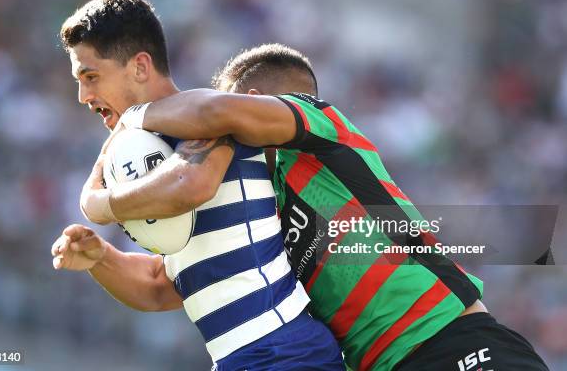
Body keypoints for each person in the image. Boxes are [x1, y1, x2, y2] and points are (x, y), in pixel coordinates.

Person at [86, 42, 549, 370]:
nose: (217, 143)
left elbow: (213, 114)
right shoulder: (259, 201)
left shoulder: (322, 125)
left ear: (254, 104)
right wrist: (99, 257)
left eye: (229, 127)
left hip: (449, 338)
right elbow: (164, 286)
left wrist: (125, 127)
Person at [52, 0, 345, 371]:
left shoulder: (208, 119)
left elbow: (190, 185)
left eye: (90, 76)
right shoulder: (143, 150)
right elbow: (160, 286)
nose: (82, 95)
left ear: (140, 67)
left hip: (281, 350)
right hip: (248, 358)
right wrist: (101, 259)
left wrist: (99, 204)